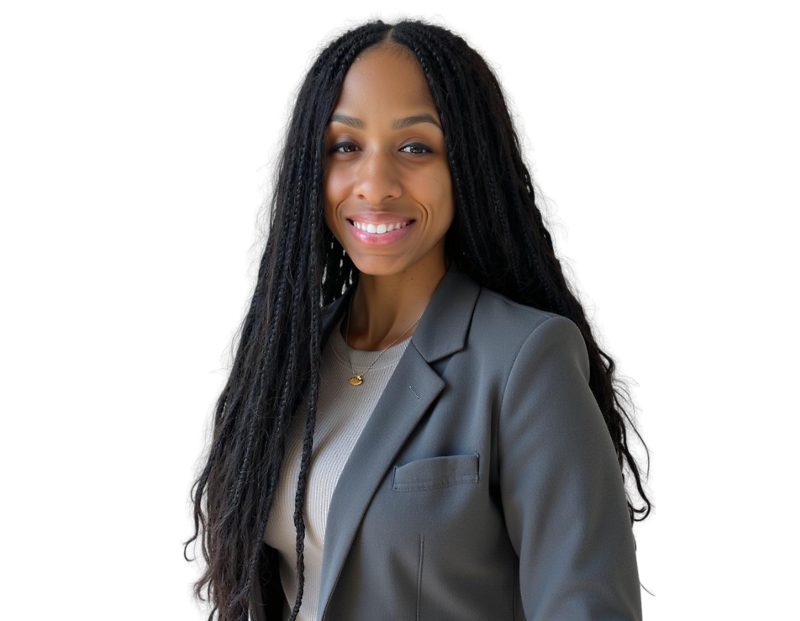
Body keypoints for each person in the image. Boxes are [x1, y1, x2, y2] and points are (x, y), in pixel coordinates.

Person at [181, 10, 656, 621]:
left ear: (466, 165)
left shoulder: (523, 360)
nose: (374, 185)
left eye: (415, 147)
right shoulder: (288, 362)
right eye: (346, 146)